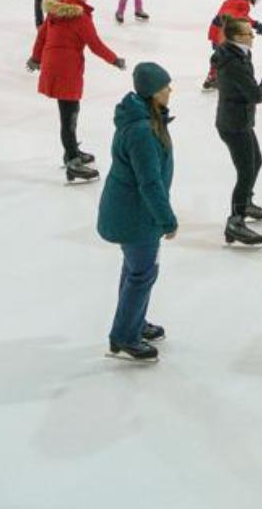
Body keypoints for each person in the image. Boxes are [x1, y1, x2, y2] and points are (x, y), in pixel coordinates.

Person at [96, 62, 177, 362]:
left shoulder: (143, 118)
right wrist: (167, 219)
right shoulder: (142, 130)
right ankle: (124, 337)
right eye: (165, 86)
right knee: (142, 273)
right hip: (135, 215)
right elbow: (149, 182)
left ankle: (134, 322)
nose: (170, 90)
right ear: (153, 92)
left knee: (135, 270)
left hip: (132, 211)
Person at [26, 0, 125, 183]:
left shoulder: (56, 10)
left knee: (69, 112)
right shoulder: (80, 16)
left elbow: (41, 37)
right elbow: (95, 45)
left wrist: (36, 58)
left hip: (55, 65)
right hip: (67, 69)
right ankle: (72, 162)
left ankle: (71, 151)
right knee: (69, 116)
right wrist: (115, 60)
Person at [214, 15, 262, 247]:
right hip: (233, 125)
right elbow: (255, 95)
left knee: (255, 162)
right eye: (249, 33)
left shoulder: (239, 53)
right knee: (246, 171)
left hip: (240, 121)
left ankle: (245, 204)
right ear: (238, 37)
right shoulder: (234, 62)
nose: (253, 36)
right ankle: (235, 220)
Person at [202, 0, 262, 90]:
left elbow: (234, 16)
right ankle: (238, 79)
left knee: (220, 55)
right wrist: (256, 24)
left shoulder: (230, 1)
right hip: (223, 34)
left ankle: (213, 78)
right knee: (240, 55)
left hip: (215, 31)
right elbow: (240, 17)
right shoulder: (243, 4)